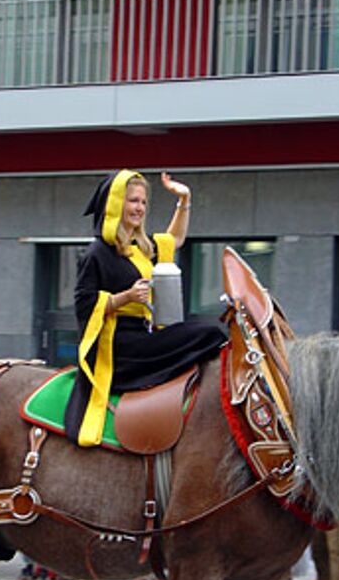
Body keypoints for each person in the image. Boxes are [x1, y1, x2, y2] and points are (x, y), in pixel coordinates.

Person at [64, 169, 226, 447]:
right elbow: (84, 305)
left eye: (142, 202)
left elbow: (174, 240)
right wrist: (124, 297)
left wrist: (184, 200)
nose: (139, 208)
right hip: (117, 349)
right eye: (132, 201)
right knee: (210, 332)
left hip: (143, 336)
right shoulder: (97, 252)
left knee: (210, 331)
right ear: (115, 204)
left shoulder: (142, 247)